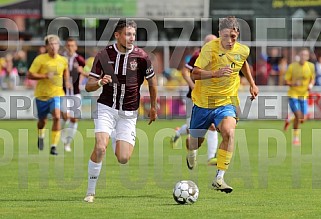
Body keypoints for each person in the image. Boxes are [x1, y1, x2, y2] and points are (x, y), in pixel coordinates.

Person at [84, 20, 158, 203]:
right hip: (106, 108)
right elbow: (88, 87)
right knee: (100, 147)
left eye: (133, 34)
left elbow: (153, 83)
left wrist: (154, 107)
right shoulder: (103, 55)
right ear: (117, 35)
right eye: (127, 34)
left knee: (123, 158)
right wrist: (100, 82)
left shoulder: (141, 57)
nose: (131, 38)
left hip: (129, 112)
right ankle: (90, 192)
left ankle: (116, 135)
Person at [188, 16, 259, 193]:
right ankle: (191, 152)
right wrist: (215, 73)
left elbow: (242, 64)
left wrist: (252, 83)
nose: (229, 41)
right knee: (195, 142)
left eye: (233, 37)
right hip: (203, 103)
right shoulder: (209, 49)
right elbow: (194, 74)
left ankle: (219, 177)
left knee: (229, 132)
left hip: (227, 101)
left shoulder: (243, 50)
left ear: (238, 35)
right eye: (226, 36)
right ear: (220, 34)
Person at [171, 34, 219, 166]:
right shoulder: (198, 55)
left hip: (210, 98)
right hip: (194, 98)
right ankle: (191, 153)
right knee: (194, 130)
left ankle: (211, 158)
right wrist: (193, 86)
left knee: (212, 126)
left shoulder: (219, 57)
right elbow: (185, 72)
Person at [27, 34, 70, 155]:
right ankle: (41, 136)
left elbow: (66, 73)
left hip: (57, 94)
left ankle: (53, 146)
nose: (53, 46)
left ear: (58, 46)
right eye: (50, 44)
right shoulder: (40, 59)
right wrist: (45, 76)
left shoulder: (63, 60)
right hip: (41, 95)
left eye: (55, 44)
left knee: (57, 116)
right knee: (42, 121)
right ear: (46, 46)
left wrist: (67, 82)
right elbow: (29, 75)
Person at [283, 48, 315, 145]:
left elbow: (312, 79)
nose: (303, 57)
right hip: (293, 95)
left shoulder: (311, 66)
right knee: (298, 115)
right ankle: (296, 138)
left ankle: (289, 119)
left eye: (305, 55)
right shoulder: (292, 67)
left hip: (304, 95)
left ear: (308, 57)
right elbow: (286, 81)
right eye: (302, 54)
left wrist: (310, 85)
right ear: (299, 56)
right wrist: (293, 84)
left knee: (302, 119)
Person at [60, 38, 87, 152]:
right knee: (65, 117)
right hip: (63, 92)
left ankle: (67, 143)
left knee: (74, 119)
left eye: (72, 45)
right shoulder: (61, 58)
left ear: (76, 47)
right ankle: (59, 133)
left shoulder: (79, 59)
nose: (70, 47)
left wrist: (82, 74)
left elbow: (85, 72)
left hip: (76, 93)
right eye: (68, 45)